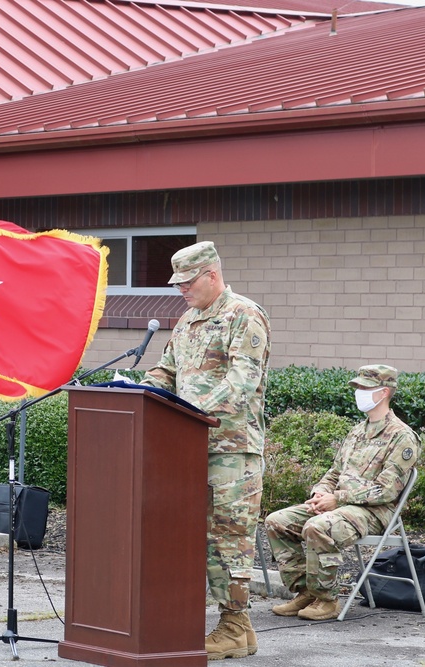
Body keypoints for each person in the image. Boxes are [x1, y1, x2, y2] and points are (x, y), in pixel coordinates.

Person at [140, 240, 270, 661]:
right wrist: (140, 390)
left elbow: (241, 382)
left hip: (234, 451)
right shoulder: (187, 321)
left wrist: (189, 409)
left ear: (211, 275)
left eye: (187, 281)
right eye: (177, 283)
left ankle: (234, 625)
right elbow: (168, 371)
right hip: (191, 447)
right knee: (203, 537)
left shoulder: (244, 315)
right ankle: (238, 630)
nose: (181, 290)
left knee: (229, 537)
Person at [264, 364, 419, 621]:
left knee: (318, 526)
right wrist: (320, 494)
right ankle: (307, 592)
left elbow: (386, 491)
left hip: (375, 512)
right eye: (357, 387)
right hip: (340, 506)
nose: (358, 392)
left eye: (364, 388)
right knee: (277, 522)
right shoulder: (357, 431)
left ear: (383, 393)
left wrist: (337, 499)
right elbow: (335, 473)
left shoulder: (402, 437)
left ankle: (327, 599)